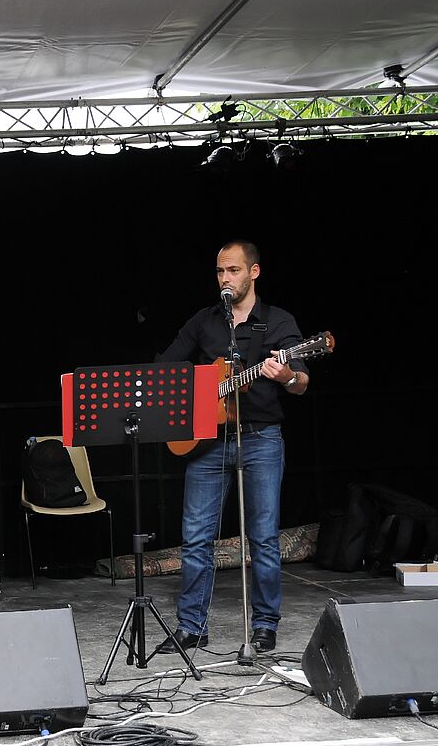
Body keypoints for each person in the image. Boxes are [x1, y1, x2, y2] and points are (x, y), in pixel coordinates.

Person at [155, 240, 309, 655]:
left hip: (261, 439)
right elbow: (164, 369)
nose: (225, 278)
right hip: (207, 442)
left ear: (254, 272)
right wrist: (202, 391)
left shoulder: (278, 321)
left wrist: (284, 375)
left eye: (233, 270)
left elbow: (301, 383)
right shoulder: (204, 321)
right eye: (220, 271)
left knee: (263, 537)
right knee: (196, 537)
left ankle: (264, 626)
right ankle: (192, 626)